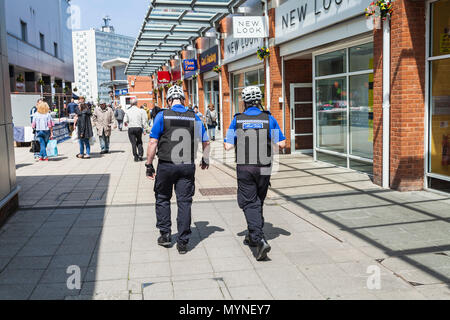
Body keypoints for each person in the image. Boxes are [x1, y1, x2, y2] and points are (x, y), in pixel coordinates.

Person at [145, 85, 210, 254]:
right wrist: (205, 158)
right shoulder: (194, 117)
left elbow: (153, 142)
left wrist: (149, 164)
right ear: (183, 99)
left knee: (162, 198)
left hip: (166, 164)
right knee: (184, 201)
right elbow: (206, 142)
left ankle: (165, 235)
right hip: (186, 166)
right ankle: (183, 242)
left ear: (168, 100)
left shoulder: (161, 115)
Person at [224, 86, 286, 261]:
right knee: (258, 201)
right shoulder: (269, 118)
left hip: (245, 166)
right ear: (259, 101)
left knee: (249, 202)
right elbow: (282, 144)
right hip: (265, 167)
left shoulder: (238, 120)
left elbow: (228, 146)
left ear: (244, 101)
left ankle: (259, 241)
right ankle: (253, 235)